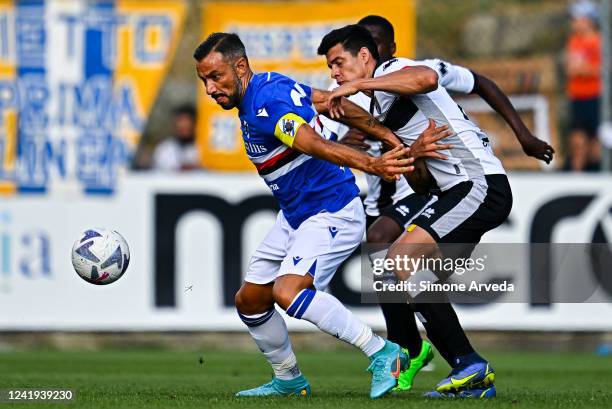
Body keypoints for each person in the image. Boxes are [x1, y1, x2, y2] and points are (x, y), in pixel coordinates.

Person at [193, 32, 450, 399]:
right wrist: (393, 141)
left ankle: (383, 352)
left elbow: (311, 142)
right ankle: (288, 378)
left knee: (288, 291)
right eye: (203, 79)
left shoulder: (265, 102)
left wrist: (374, 162)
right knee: (250, 301)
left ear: (240, 67)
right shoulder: (269, 84)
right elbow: (333, 102)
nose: (209, 88)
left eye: (215, 77)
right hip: (295, 214)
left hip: (331, 209)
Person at [318, 17, 555, 393]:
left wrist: (360, 83)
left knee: (398, 260)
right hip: (454, 192)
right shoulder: (381, 103)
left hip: (479, 185)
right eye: (329, 66)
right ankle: (462, 373)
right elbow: (421, 181)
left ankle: (464, 362)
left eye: (337, 62)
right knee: (402, 279)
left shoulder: (393, 70)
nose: (334, 72)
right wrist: (412, 153)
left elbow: (427, 78)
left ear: (365, 56)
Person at [565, 0, 602, 170]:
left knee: (596, 143)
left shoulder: (598, 42)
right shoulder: (574, 41)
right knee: (577, 141)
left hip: (594, 97)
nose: (573, 23)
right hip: (578, 97)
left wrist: (583, 69)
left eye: (576, 18)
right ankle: (576, 178)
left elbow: (601, 69)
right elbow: (571, 68)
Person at [152, 104, 200, 171]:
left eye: (187, 121)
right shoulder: (164, 149)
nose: (184, 125)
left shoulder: (203, 148)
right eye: (180, 121)